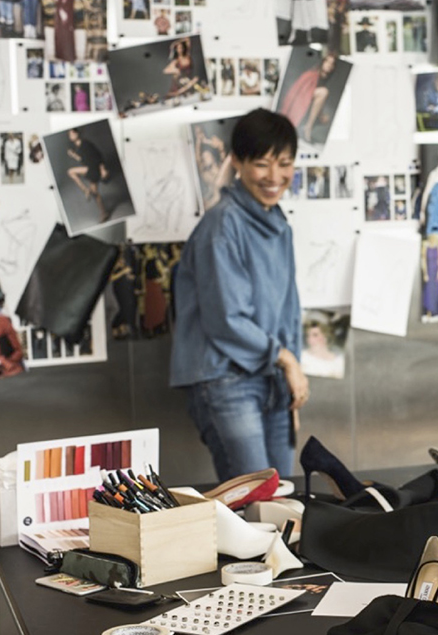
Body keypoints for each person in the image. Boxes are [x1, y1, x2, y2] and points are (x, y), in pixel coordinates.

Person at [171, 109, 309, 481]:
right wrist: (288, 361)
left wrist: (290, 370)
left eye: (284, 164)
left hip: (273, 377)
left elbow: (288, 309)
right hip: (227, 380)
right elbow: (226, 318)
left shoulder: (278, 222)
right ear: (237, 162)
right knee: (253, 502)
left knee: (282, 499)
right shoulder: (223, 223)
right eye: (262, 164)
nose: (274, 177)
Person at [279, 52, 338, 144]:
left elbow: (316, 100)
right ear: (323, 62)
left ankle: (305, 127)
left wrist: (321, 115)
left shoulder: (323, 78)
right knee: (324, 92)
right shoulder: (312, 74)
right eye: (328, 62)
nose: (329, 66)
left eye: (332, 64)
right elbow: (298, 94)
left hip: (307, 107)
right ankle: (307, 127)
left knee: (326, 117)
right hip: (299, 106)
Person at [66, 128, 111, 222]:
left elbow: (98, 155)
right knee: (71, 172)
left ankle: (104, 213)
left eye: (73, 133)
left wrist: (102, 169)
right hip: (89, 167)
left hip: (95, 168)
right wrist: (73, 155)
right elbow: (83, 160)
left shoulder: (86, 143)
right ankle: (86, 190)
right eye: (70, 134)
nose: (72, 135)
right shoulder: (77, 146)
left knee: (95, 193)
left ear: (77, 133)